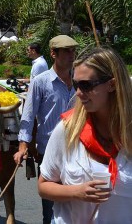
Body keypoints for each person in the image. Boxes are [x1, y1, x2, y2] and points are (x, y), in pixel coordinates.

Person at [39, 47, 132, 222]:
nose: (78, 93)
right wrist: (76, 192)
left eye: (86, 85)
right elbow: (43, 186)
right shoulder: (67, 130)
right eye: (76, 84)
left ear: (112, 85)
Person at [13, 34, 78, 224]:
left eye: (73, 50)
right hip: (49, 152)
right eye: (66, 51)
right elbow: (28, 115)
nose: (71, 55)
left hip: (78, 149)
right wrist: (23, 145)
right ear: (53, 53)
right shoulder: (41, 81)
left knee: (77, 205)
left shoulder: (81, 80)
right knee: (50, 209)